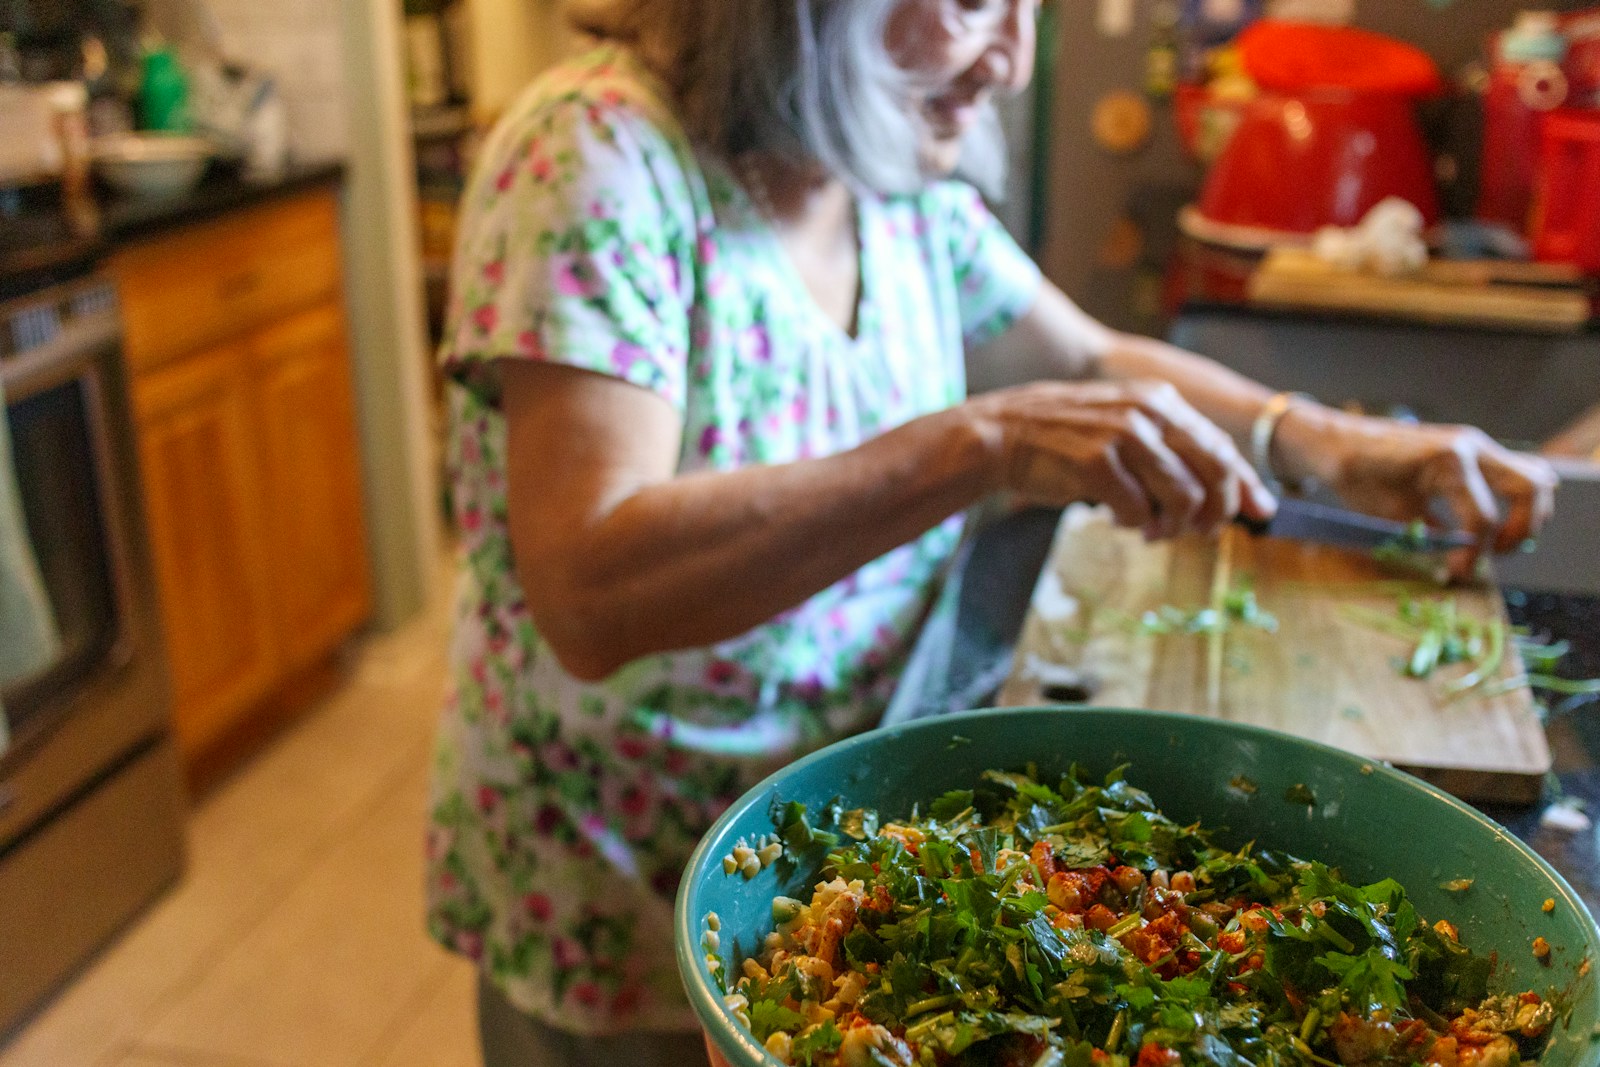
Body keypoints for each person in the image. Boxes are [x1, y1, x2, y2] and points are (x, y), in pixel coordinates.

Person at [423, 1, 1557, 1064]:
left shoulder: (877, 165)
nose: (1011, 59)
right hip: (630, 875)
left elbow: (1085, 362)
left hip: (839, 826)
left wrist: (1319, 441)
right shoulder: (593, 160)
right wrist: (977, 444)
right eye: (971, 3)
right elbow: (589, 590)